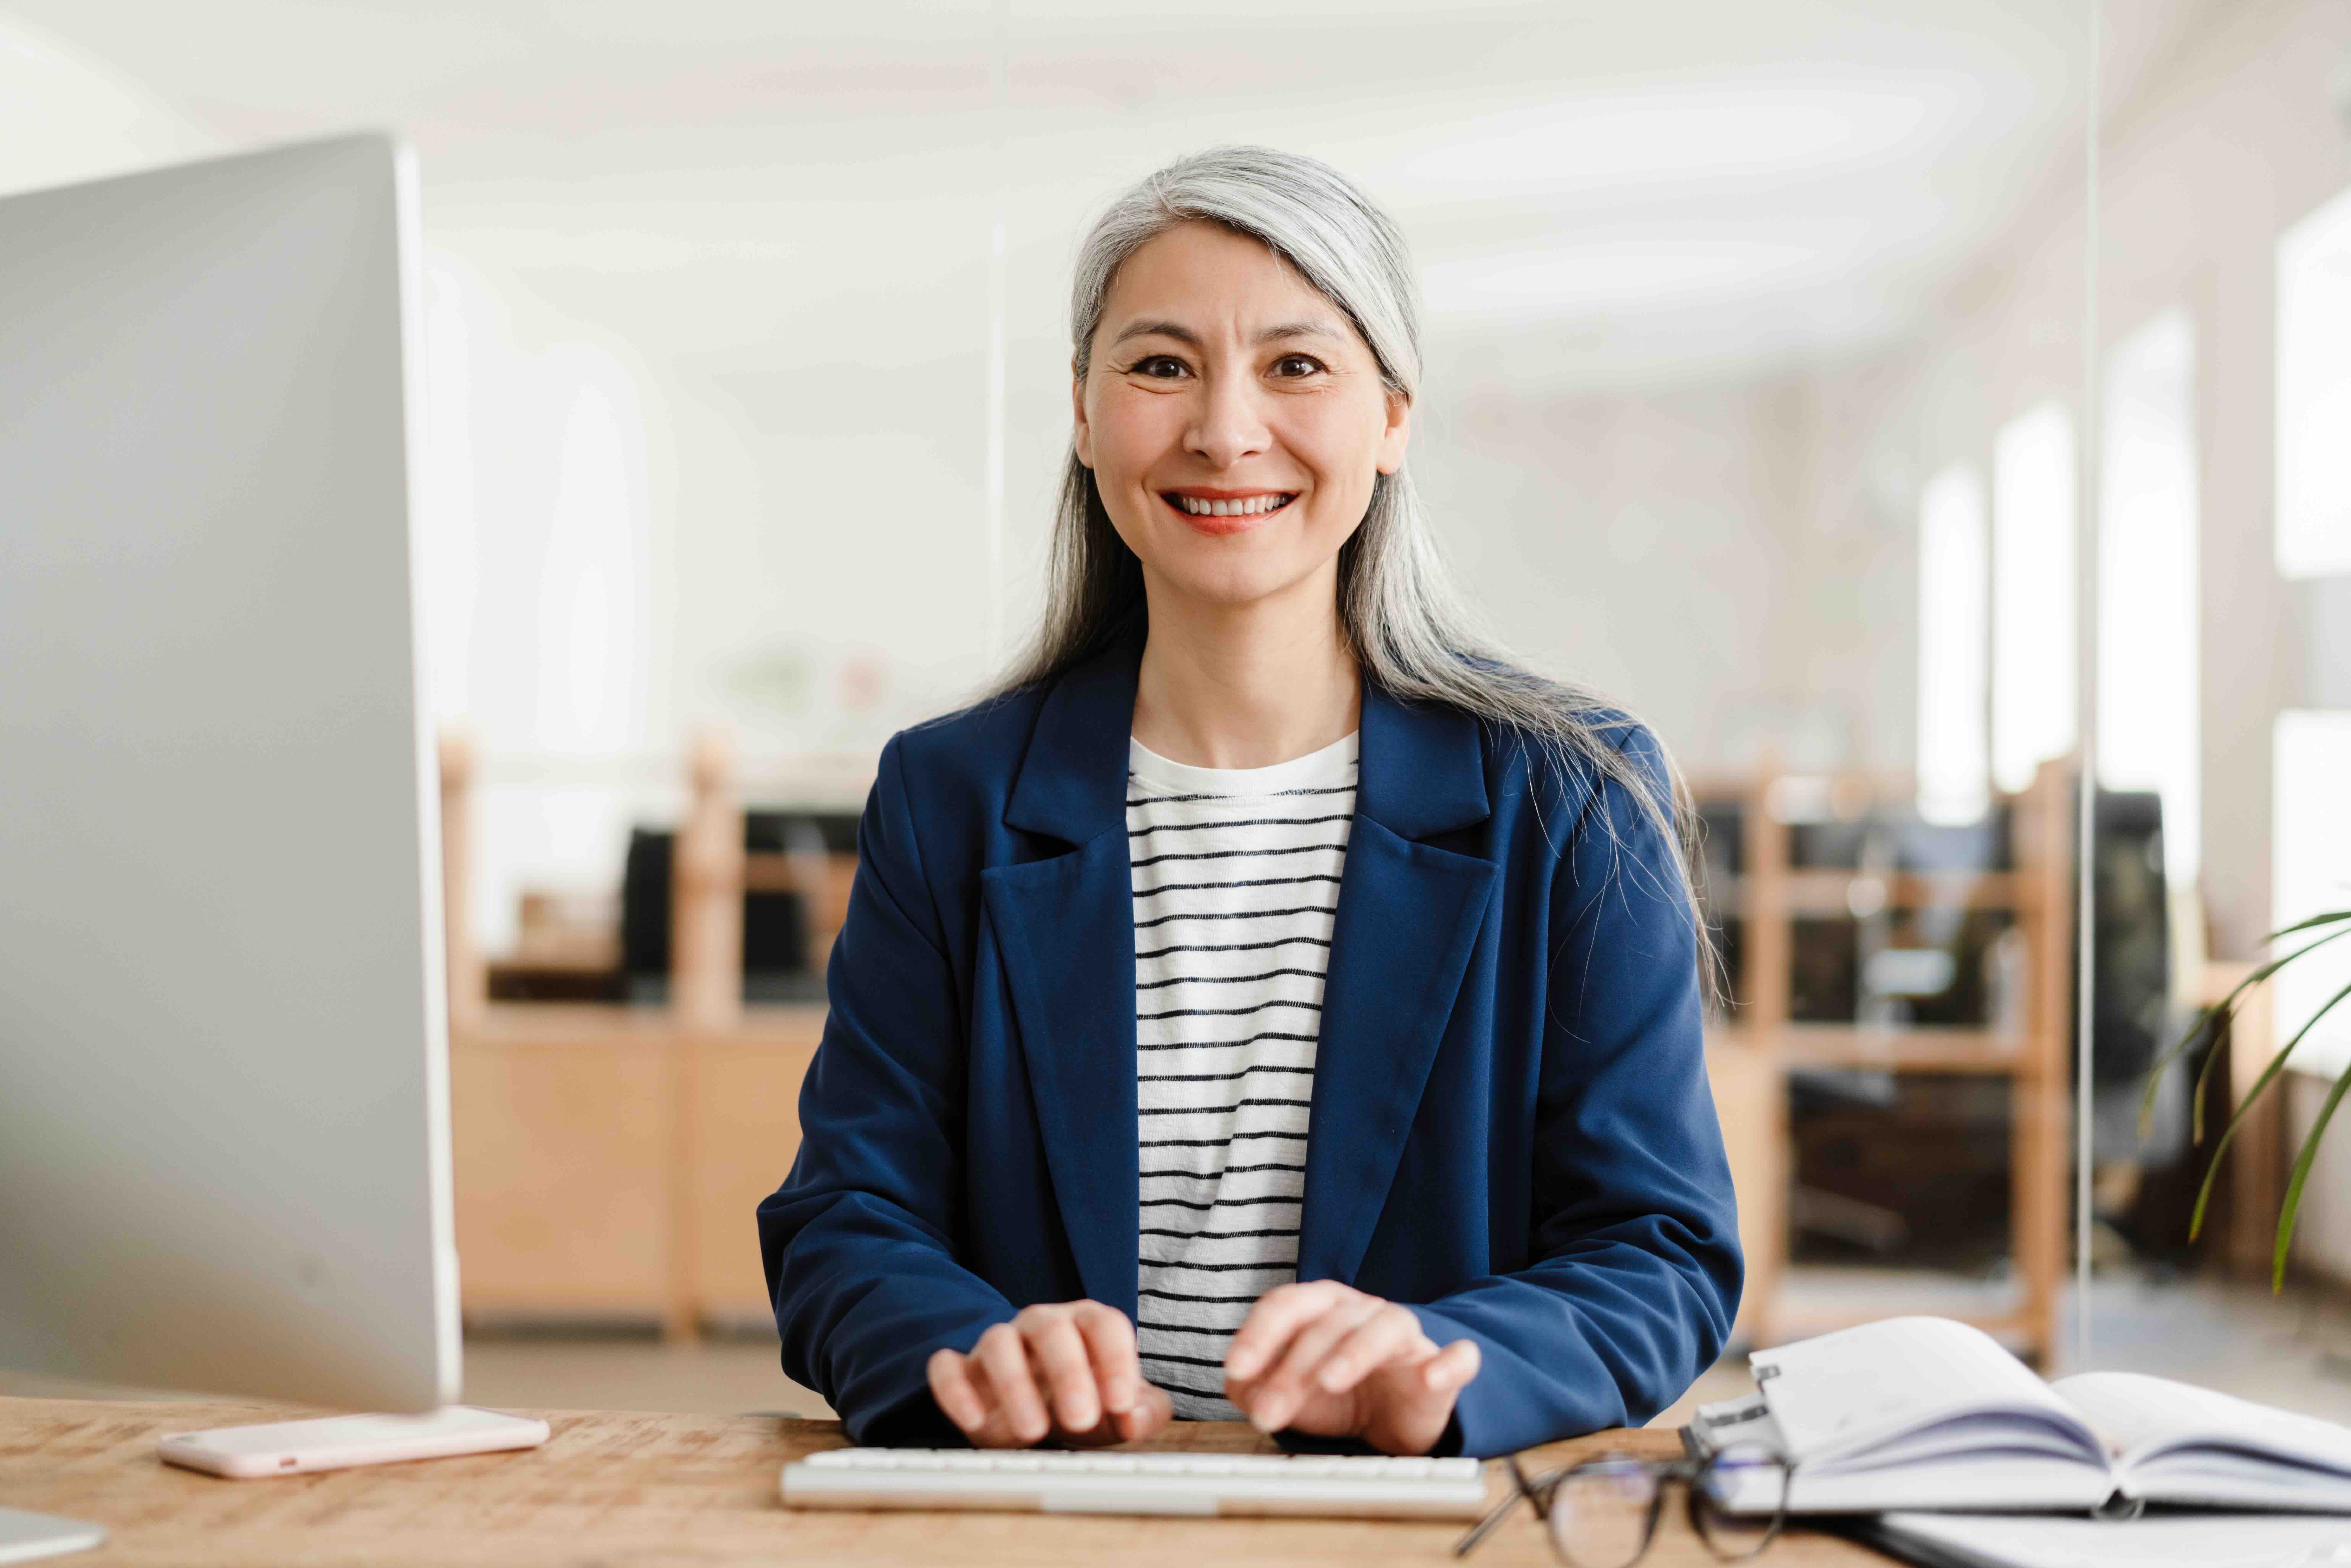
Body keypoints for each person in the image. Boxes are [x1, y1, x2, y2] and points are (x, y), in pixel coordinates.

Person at [757, 146, 1740, 1460]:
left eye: (1297, 365)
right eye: (1161, 365)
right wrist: (967, 1353)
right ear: (1084, 413)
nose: (1225, 432)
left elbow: (1658, 1253)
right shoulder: (949, 798)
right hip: (1044, 1519)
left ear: (1393, 419)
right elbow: (844, 1222)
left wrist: (1448, 1367)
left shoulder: (1576, 796)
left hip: (1403, 1525)